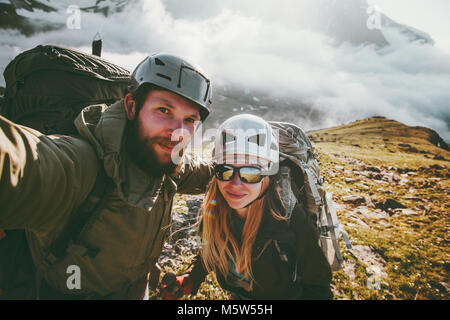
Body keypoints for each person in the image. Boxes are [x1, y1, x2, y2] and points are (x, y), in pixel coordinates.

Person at [0, 53, 215, 299]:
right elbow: (20, 161)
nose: (178, 133)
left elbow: (206, 172)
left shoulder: (164, 159)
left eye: (189, 120)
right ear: (131, 107)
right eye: (164, 110)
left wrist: (250, 169)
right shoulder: (81, 165)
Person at [162, 114, 333, 300]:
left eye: (251, 172)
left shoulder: (291, 219)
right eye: (225, 170)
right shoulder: (215, 209)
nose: (235, 184)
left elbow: (317, 286)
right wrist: (192, 278)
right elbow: (209, 248)